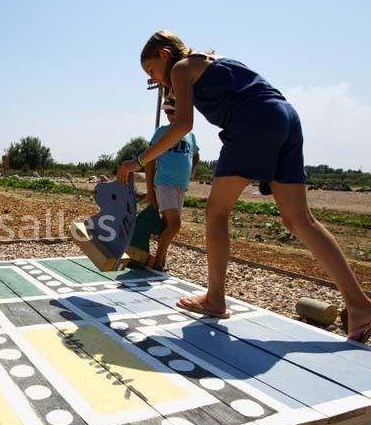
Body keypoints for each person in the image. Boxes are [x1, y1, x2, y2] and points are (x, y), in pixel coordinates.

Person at [118, 30, 371, 343]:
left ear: (164, 55)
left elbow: (182, 125)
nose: (156, 78)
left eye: (152, 70)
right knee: (299, 219)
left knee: (216, 213)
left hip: (253, 121)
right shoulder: (208, 61)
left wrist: (139, 162)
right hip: (285, 116)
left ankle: (214, 299)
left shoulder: (181, 68)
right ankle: (359, 304)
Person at [145, 93, 199, 271]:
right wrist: (150, 192)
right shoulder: (162, 132)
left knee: (168, 225)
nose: (169, 115)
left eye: (172, 111)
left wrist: (190, 173)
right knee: (175, 224)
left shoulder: (190, 135)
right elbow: (150, 160)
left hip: (180, 186)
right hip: (164, 183)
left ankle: (159, 260)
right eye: (167, 111)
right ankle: (158, 261)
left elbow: (196, 155)